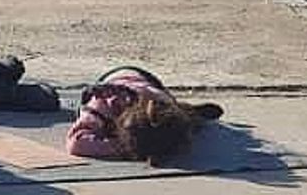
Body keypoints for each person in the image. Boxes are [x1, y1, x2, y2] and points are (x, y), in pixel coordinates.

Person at [66, 66, 223, 163]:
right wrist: (125, 149)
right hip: (119, 80)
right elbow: (76, 143)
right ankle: (190, 115)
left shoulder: (159, 101)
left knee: (178, 121)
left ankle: (190, 113)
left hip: (146, 83)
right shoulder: (100, 104)